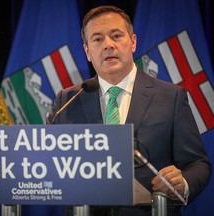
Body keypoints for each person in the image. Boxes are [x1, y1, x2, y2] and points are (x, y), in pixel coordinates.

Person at [47, 5, 211, 216]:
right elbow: (49, 161)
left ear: (132, 42)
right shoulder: (67, 100)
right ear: (88, 51)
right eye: (97, 39)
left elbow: (197, 163)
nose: (108, 45)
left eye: (116, 36)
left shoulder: (171, 97)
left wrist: (183, 182)